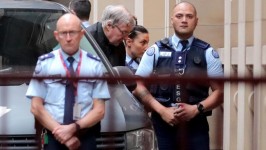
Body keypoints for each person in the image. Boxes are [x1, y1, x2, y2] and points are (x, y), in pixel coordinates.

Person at [134, 2, 224, 150]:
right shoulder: (155, 50)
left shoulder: (208, 53)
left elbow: (220, 92)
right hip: (162, 126)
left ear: (196, 21)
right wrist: (162, 111)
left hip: (196, 128)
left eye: (189, 16)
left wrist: (196, 109)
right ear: (172, 20)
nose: (184, 20)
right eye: (179, 16)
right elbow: (137, 84)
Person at [26, 13, 110, 150]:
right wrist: (61, 132)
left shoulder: (94, 64)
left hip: (85, 136)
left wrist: (73, 128)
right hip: (54, 136)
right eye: (63, 33)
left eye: (72, 32)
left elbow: (99, 110)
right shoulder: (45, 63)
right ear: (56, 35)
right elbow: (36, 107)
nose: (68, 38)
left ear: (82, 34)